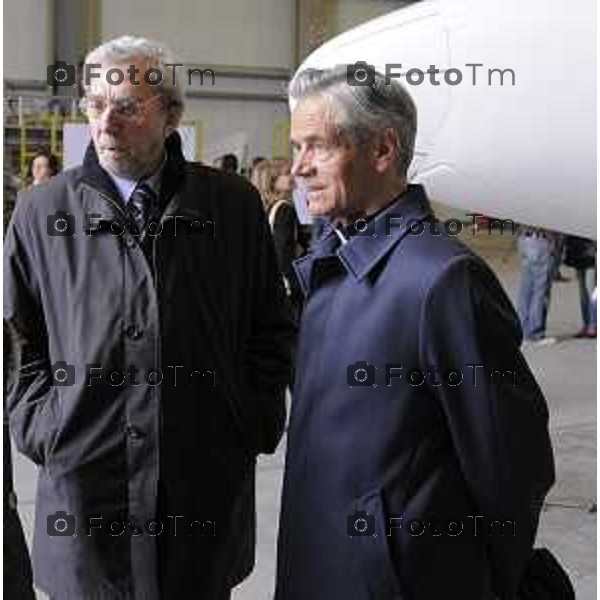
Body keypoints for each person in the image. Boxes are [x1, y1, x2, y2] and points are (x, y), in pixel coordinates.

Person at [4, 36, 295, 600]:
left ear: (172, 117)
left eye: (128, 106)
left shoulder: (230, 207)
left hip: (201, 492)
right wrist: (48, 428)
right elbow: (20, 341)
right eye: (95, 105)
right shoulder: (43, 212)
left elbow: (271, 325)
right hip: (87, 495)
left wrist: (251, 419)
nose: (106, 122)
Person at [275, 66, 554, 600]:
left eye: (317, 147)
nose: (299, 168)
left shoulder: (443, 282)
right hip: (318, 567)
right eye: (296, 147)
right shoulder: (328, 265)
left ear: (383, 150)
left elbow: (511, 463)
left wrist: (468, 575)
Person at [516, 226, 556, 344]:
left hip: (525, 240)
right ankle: (535, 333)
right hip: (540, 241)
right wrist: (552, 240)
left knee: (526, 293)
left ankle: (523, 332)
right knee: (540, 292)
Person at [564, 235, 597, 338]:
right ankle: (586, 325)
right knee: (583, 292)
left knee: (591, 290)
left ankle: (593, 325)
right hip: (577, 251)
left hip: (591, 252)